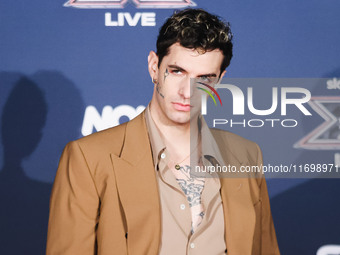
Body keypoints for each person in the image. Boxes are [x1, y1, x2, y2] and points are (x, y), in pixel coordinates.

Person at [46, 8, 280, 255]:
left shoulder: (246, 155)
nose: (187, 91)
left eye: (204, 79)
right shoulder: (89, 158)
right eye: (177, 71)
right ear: (154, 67)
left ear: (219, 80)